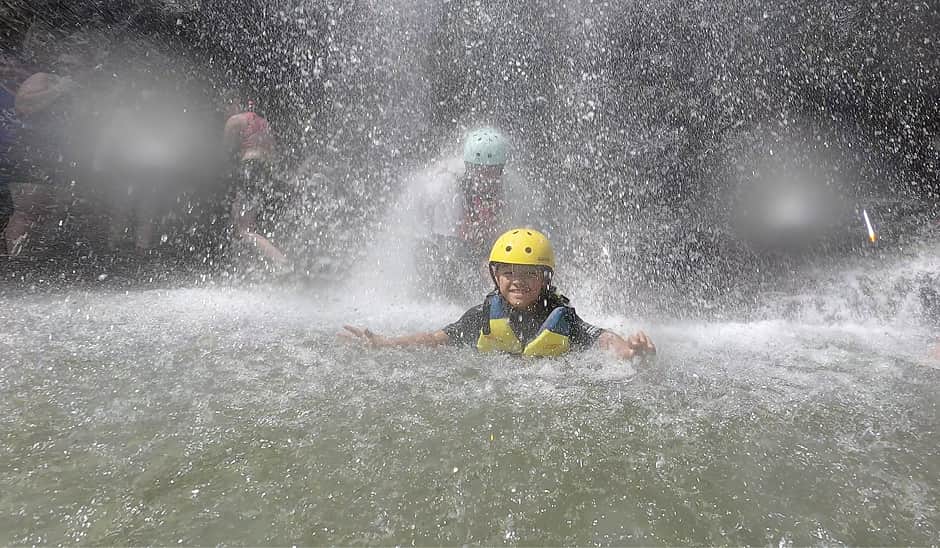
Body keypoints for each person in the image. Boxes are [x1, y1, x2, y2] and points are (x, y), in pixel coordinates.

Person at [343, 228, 657, 360]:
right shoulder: (484, 315)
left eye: (529, 274)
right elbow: (436, 338)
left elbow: (601, 338)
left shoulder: (560, 315)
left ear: (546, 278)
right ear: (496, 275)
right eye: (508, 273)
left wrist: (629, 349)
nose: (517, 282)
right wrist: (384, 342)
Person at [416, 126, 512, 300]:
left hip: (466, 243)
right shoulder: (446, 188)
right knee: (454, 263)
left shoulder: (508, 186)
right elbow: (453, 241)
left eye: (492, 171)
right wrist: (485, 260)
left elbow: (503, 229)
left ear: (501, 169)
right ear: (469, 168)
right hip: (437, 244)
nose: (486, 178)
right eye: (480, 171)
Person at [223, 96, 288, 266]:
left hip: (250, 169)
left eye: (227, 105)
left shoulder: (236, 120)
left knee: (242, 230)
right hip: (265, 172)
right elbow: (274, 155)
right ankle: (253, 267)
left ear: (237, 104)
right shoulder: (265, 124)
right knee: (251, 226)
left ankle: (281, 261)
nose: (225, 110)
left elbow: (224, 153)